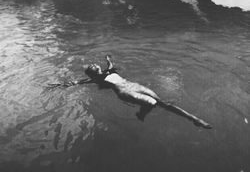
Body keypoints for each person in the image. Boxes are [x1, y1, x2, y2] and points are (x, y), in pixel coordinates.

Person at [48, 55, 212, 129]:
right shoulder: (95, 79)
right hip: (124, 92)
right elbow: (74, 82)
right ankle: (141, 114)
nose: (94, 65)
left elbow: (110, 65)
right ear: (93, 72)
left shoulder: (108, 71)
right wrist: (58, 85)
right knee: (152, 103)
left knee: (163, 103)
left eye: (94, 65)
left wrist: (108, 59)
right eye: (92, 67)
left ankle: (194, 119)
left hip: (134, 85)